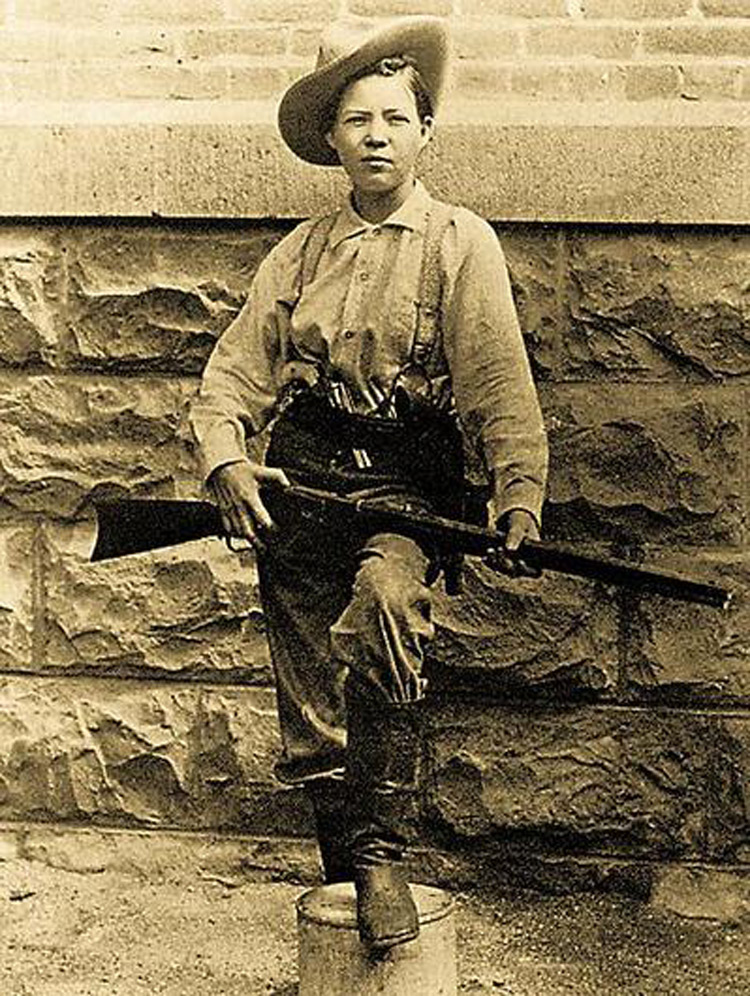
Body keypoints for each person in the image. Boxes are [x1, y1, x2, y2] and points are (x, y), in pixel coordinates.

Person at [189, 15, 547, 954]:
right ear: (333, 141)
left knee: (386, 605)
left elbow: (498, 383)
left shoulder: (458, 242)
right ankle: (342, 873)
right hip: (302, 483)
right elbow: (234, 374)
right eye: (357, 120)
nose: (377, 135)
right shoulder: (301, 252)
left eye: (396, 116)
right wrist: (227, 458)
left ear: (426, 131)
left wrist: (517, 495)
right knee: (308, 681)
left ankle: (383, 850)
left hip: (407, 486)